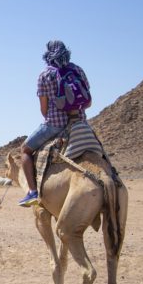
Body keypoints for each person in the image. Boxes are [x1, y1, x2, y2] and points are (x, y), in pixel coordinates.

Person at [19, 40, 91, 207]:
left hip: (55, 124)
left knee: (25, 150)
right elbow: (88, 98)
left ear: (47, 55)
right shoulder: (77, 70)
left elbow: (44, 110)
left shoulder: (44, 75)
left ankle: (32, 192)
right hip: (80, 122)